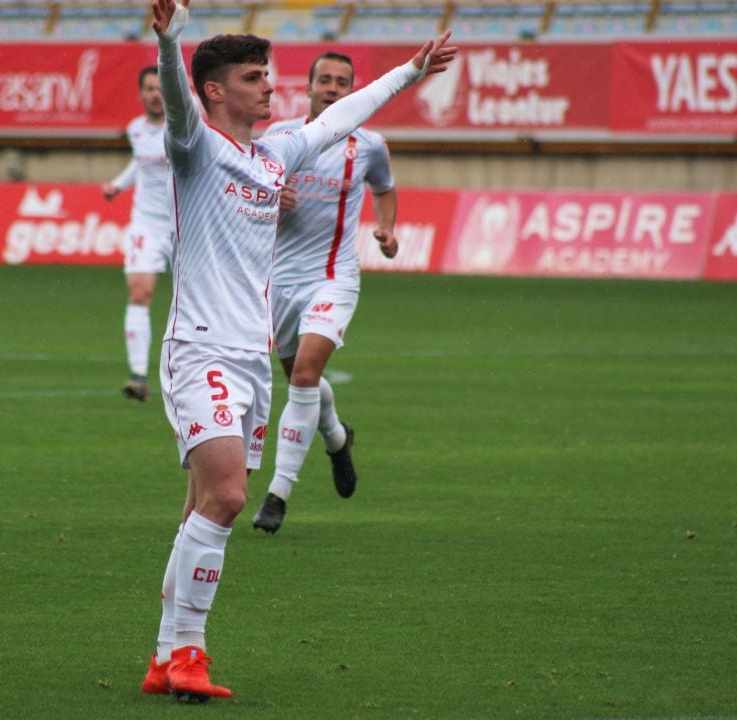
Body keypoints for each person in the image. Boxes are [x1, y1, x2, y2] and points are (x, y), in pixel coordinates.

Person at [140, 0, 456, 702]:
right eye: (255, 77)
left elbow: (345, 117)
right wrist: (170, 42)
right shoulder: (195, 146)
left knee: (200, 508)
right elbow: (177, 99)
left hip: (251, 360)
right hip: (201, 351)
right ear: (218, 91)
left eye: (269, 75)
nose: (270, 87)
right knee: (227, 497)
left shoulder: (272, 154)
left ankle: (165, 659)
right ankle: (191, 654)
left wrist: (411, 70)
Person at [252, 51, 400, 534]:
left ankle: (278, 493)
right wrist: (272, 195)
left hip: (334, 277)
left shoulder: (370, 145)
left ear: (353, 89)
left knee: (305, 376)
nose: (334, 88)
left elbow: (384, 187)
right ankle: (337, 439)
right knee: (300, 376)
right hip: (281, 281)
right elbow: (243, 195)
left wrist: (387, 229)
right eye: (325, 80)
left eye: (343, 81)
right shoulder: (278, 139)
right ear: (309, 87)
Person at [101, 67, 173, 402]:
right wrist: (118, 184)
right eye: (148, 88)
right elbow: (139, 164)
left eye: (160, 88)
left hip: (184, 225)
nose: (155, 94)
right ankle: (138, 376)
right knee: (139, 293)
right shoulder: (136, 130)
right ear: (141, 93)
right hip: (146, 223)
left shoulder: (182, 128)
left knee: (192, 301)